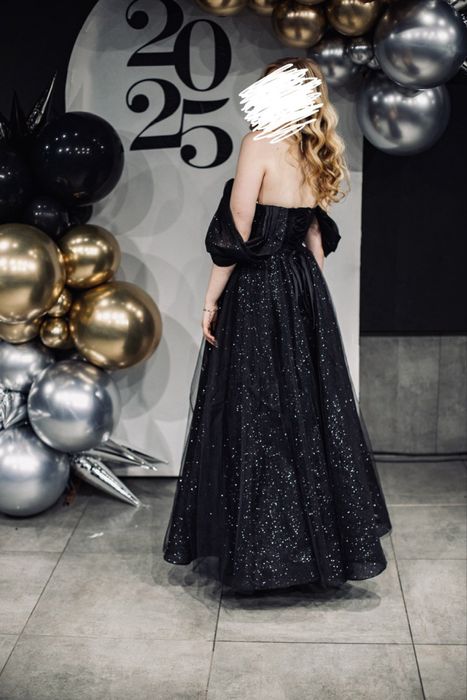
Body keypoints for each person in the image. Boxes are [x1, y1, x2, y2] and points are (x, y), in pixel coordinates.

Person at [162, 57, 392, 593]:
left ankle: (263, 554)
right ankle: (312, 554)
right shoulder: (314, 149)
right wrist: (312, 297)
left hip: (258, 287)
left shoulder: (259, 144)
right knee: (307, 412)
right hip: (302, 286)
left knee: (255, 410)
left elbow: (238, 229)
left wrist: (210, 301)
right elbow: (314, 236)